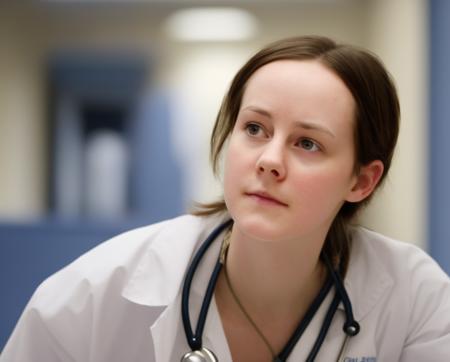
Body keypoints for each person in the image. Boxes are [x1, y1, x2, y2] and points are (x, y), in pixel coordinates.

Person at [2, 36, 450, 362]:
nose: (270, 161)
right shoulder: (98, 293)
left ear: (362, 181)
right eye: (255, 129)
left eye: (308, 143)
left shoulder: (413, 299)